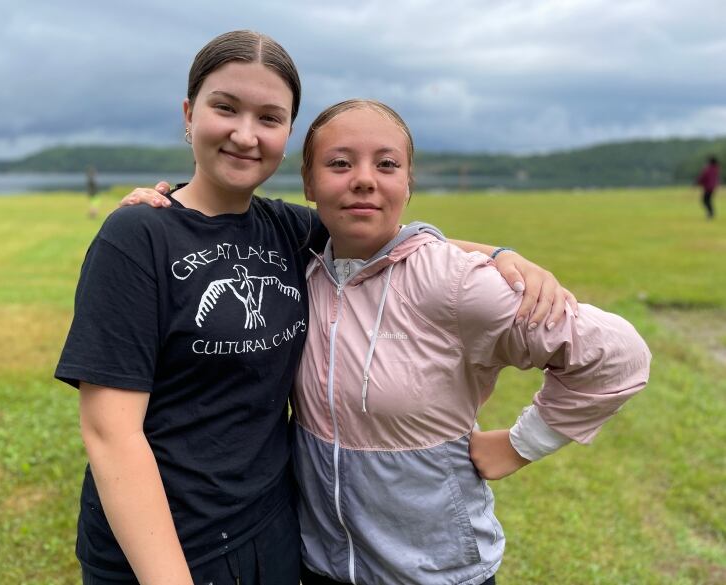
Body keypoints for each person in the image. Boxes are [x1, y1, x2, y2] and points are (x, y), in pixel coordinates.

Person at [57, 31, 576, 585]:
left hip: (274, 536)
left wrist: (499, 255)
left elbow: (387, 240)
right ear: (190, 113)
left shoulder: (289, 229)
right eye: (225, 108)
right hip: (160, 548)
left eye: (269, 118)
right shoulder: (137, 237)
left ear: (287, 136)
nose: (245, 134)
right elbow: (112, 434)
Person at [290, 100, 651, 585]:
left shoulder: (452, 280)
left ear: (408, 183)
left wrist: (523, 444)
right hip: (320, 567)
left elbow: (616, 353)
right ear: (309, 183)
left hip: (439, 574)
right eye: (339, 162)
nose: (364, 179)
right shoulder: (297, 268)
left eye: (387, 164)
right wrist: (155, 205)